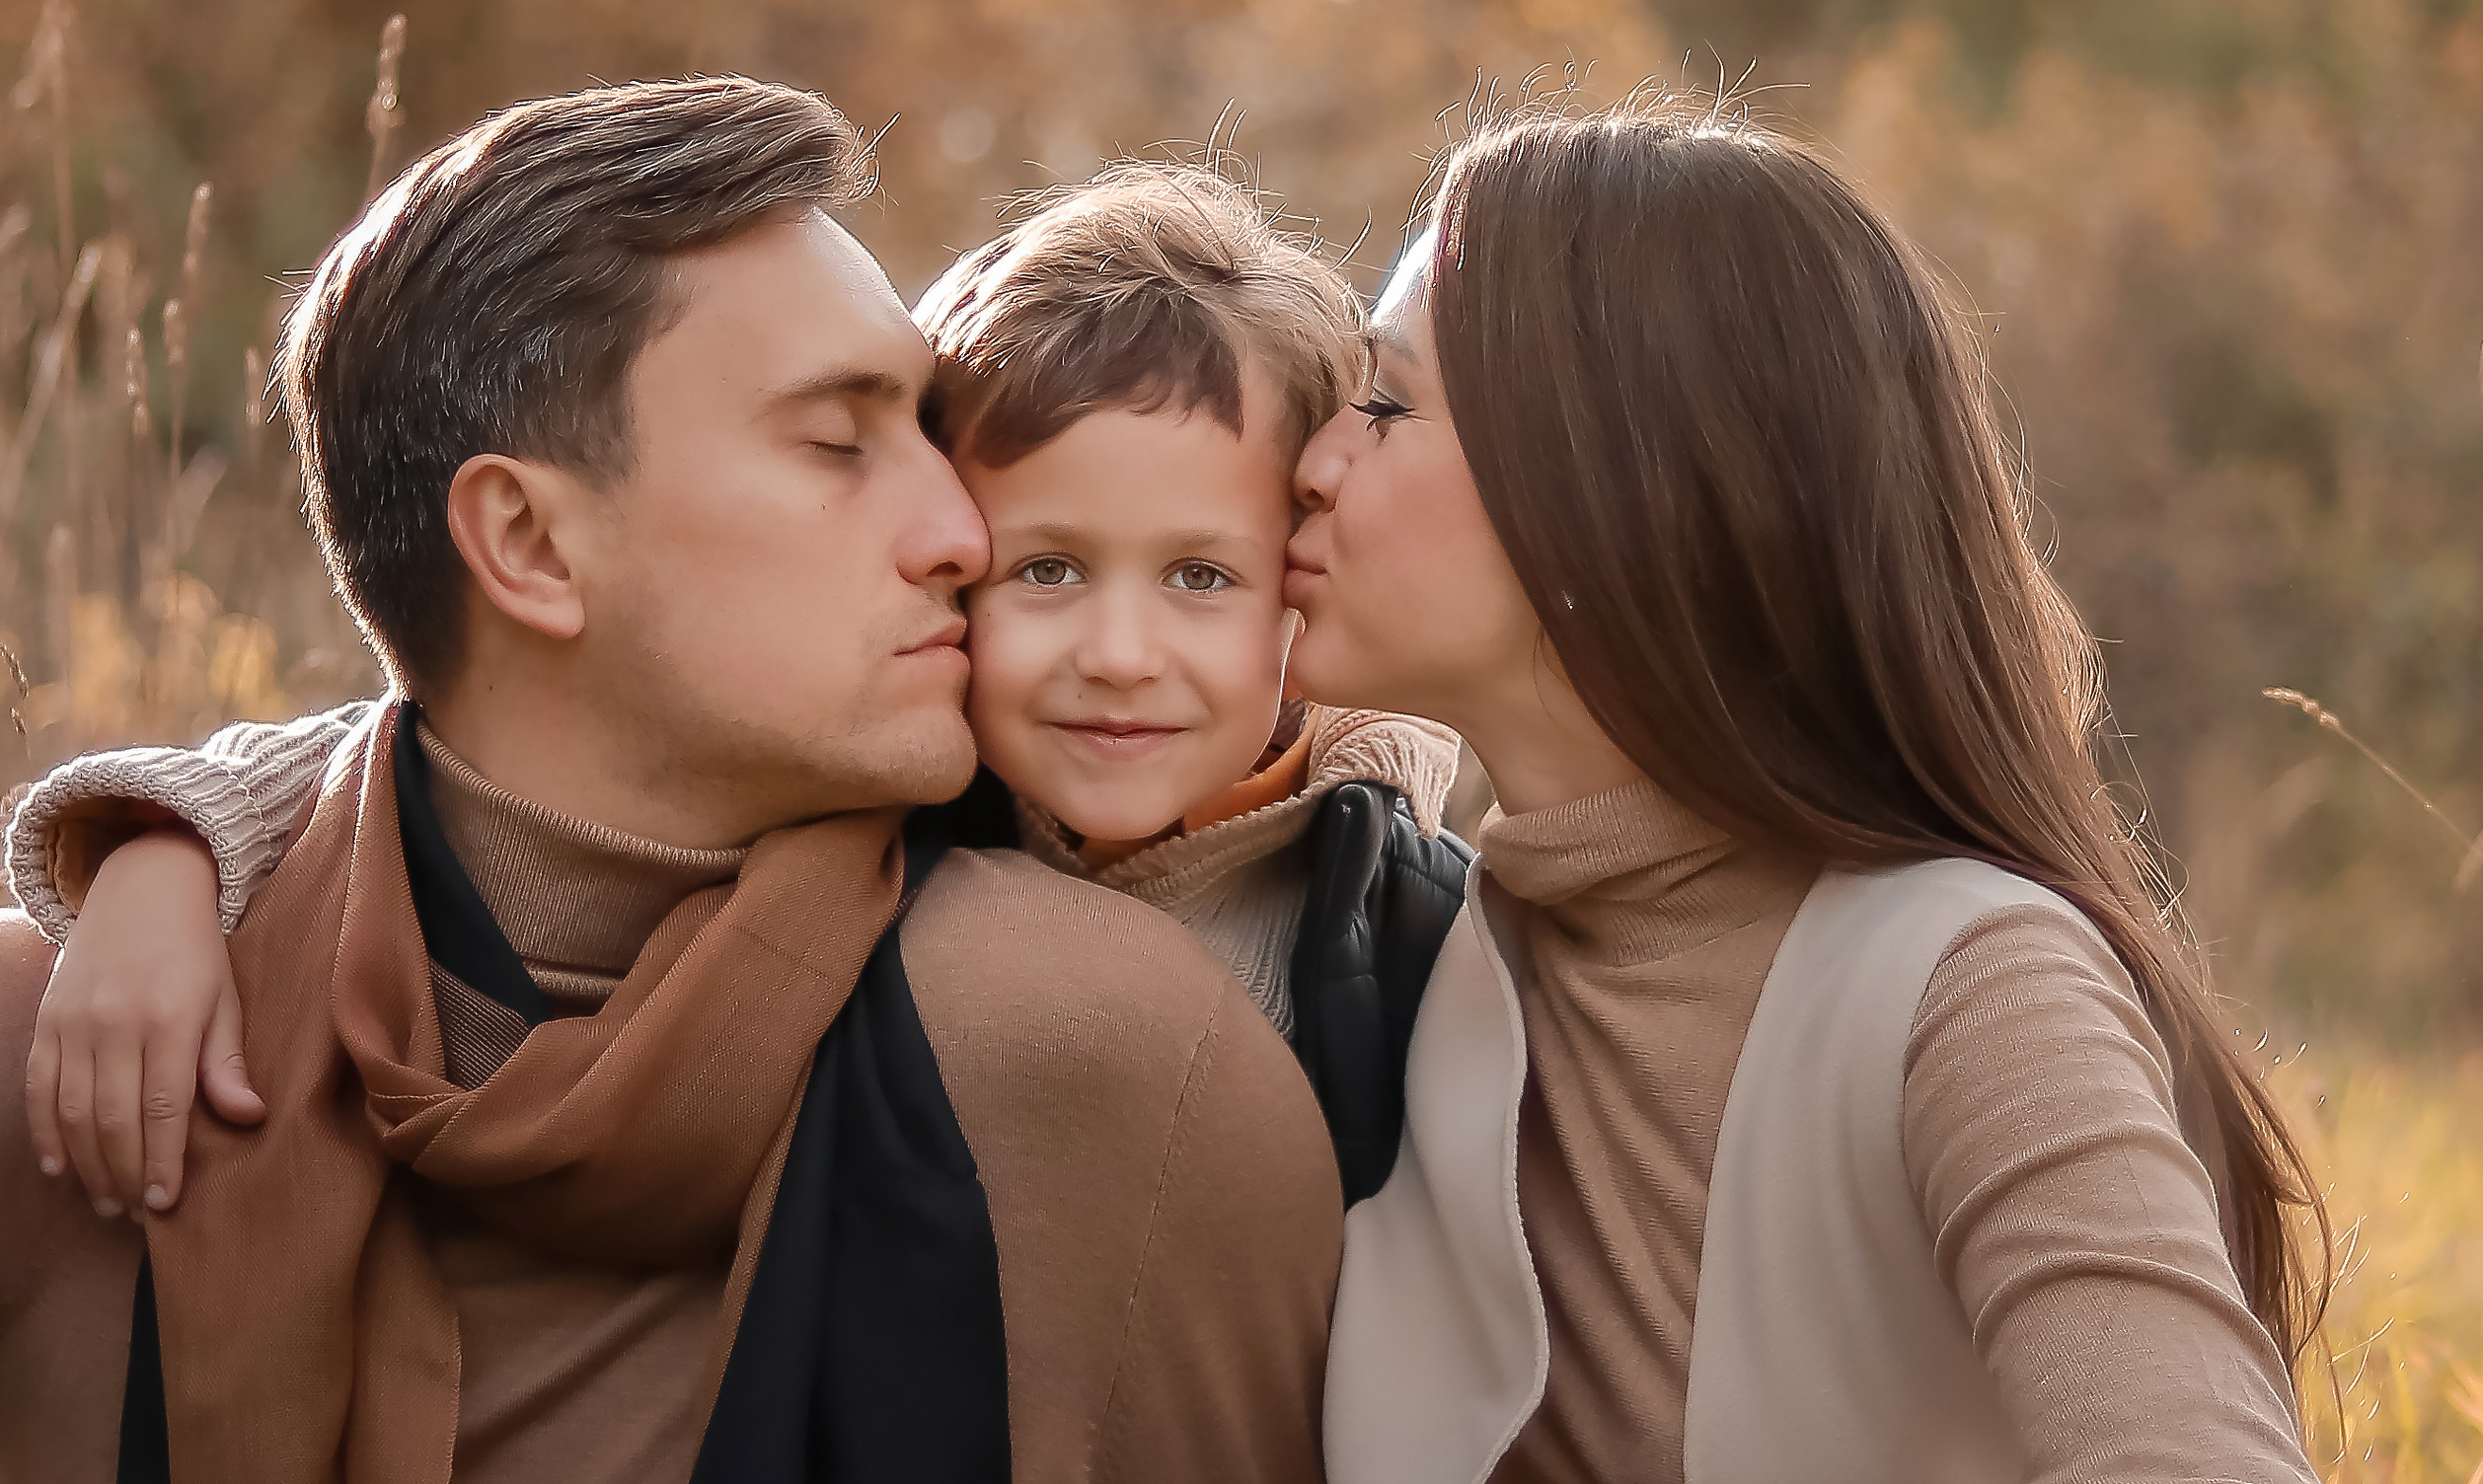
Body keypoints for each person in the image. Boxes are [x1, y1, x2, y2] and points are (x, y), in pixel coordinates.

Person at [0, 77, 1342, 1483]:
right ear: (529, 544)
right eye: (840, 445)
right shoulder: (73, 1061)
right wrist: (163, 843)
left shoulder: (1113, 1059)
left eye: (931, 436)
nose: (965, 531)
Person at [12, 163, 1469, 1223]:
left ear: (1296, 576)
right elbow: (433, 746)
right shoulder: (898, 797)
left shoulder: (1391, 903)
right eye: (1043, 570)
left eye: (1203, 577)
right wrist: (172, 846)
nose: (1122, 653)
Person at [1289, 100, 2328, 1483]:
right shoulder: (1409, 939)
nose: (1315, 463)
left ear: (1619, 482)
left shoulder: (1973, 987)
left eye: (1387, 403)